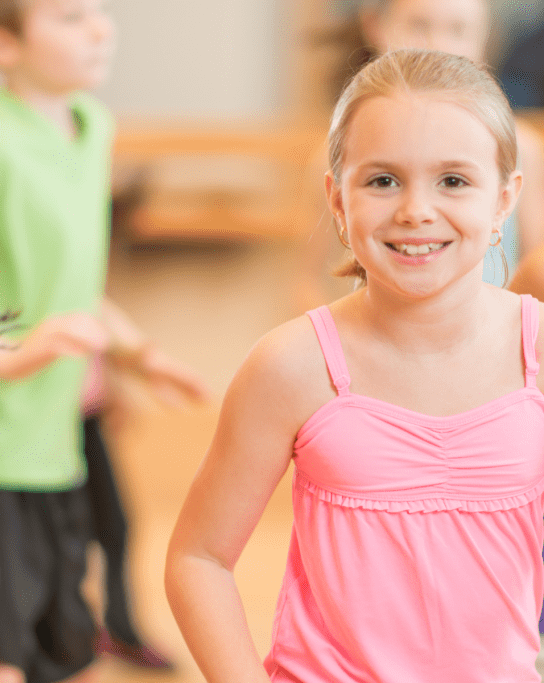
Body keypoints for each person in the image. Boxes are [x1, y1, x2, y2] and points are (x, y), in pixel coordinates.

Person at [166, 48, 544, 682]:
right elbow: (198, 557)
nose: (415, 210)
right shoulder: (292, 366)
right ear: (337, 199)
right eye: (382, 180)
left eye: (453, 180)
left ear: (504, 199)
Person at [0, 3, 204, 683]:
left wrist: (140, 354)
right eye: (69, 16)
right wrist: (7, 358)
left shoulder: (92, 128)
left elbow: (69, 293)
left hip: (54, 452)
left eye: (99, 11)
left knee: (62, 659)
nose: (101, 28)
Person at [293, 0, 544, 311]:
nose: (438, 45)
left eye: (458, 29)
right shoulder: (339, 152)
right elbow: (306, 282)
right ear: (375, 26)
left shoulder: (524, 149)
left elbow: (535, 269)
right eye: (419, 26)